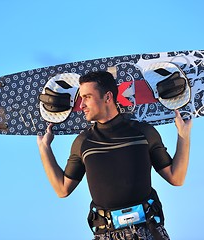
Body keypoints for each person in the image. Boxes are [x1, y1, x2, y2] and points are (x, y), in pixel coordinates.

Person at [37, 71, 192, 240]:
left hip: (149, 231)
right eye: (81, 98)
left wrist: (183, 135)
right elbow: (62, 189)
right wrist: (44, 148)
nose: (81, 105)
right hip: (106, 235)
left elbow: (176, 177)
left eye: (87, 97)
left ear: (108, 97)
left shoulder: (144, 132)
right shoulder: (83, 142)